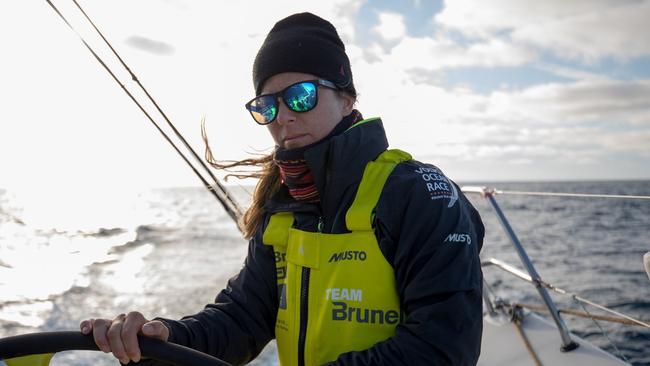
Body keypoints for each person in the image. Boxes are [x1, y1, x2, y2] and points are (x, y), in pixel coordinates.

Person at [80, 12, 485, 366]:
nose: (284, 117)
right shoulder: (282, 204)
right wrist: (163, 341)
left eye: (301, 96)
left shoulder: (419, 194)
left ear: (346, 99)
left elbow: (443, 346)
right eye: (267, 105)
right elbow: (243, 319)